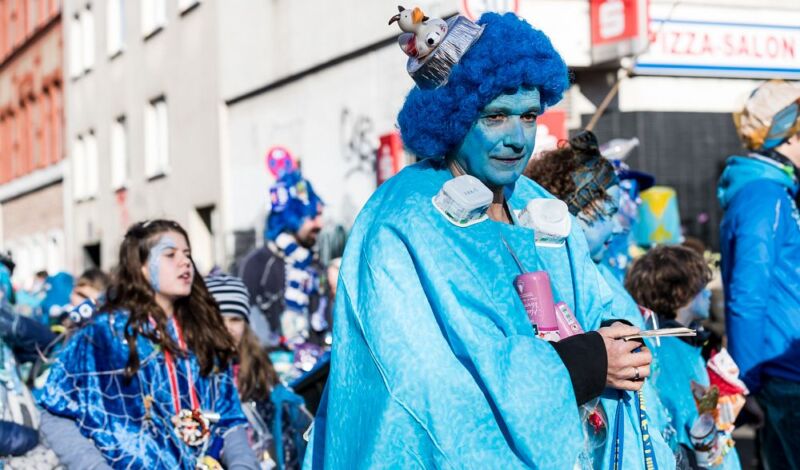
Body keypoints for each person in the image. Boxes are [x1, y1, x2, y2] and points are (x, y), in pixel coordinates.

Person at [305, 11, 655, 469]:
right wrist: (581, 365)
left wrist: (622, 339)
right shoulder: (401, 219)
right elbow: (421, 383)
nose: (516, 138)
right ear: (453, 119)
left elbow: (595, 300)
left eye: (529, 116)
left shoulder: (536, 201)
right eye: (495, 117)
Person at [36, 219, 259, 469]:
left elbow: (229, 420)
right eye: (170, 254)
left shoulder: (204, 332)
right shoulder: (102, 334)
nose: (184, 261)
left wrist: (243, 465)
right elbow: (55, 413)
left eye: (187, 254)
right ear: (141, 267)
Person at [526, 131, 674, 467]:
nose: (619, 227)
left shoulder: (601, 274)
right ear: (569, 211)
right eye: (606, 213)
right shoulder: (545, 281)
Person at [717, 79, 800, 468]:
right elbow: (747, 295)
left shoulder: (771, 192)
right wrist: (745, 384)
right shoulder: (765, 196)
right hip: (782, 380)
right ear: (787, 136)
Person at [626, 246, 743, 469]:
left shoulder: (687, 341)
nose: (709, 294)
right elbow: (682, 421)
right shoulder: (665, 350)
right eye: (702, 288)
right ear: (681, 293)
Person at [206, 273, 311, 470]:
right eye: (219, 319)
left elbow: (284, 440)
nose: (228, 328)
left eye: (235, 319)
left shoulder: (260, 372)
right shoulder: (197, 375)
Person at [238, 170, 330, 353]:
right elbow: (247, 327)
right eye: (312, 217)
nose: (320, 224)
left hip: (316, 372)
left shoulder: (315, 264)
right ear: (290, 218)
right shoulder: (258, 263)